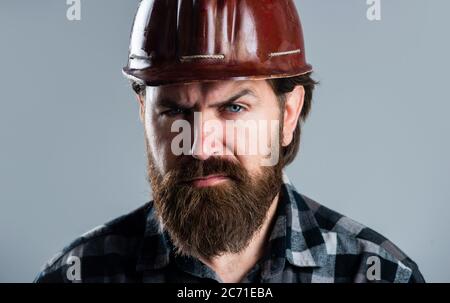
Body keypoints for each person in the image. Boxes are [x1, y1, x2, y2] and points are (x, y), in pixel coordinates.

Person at [35, 0, 424, 283]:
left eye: (234, 108)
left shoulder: (379, 276)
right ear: (143, 112)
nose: (201, 146)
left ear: (287, 114)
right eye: (174, 112)